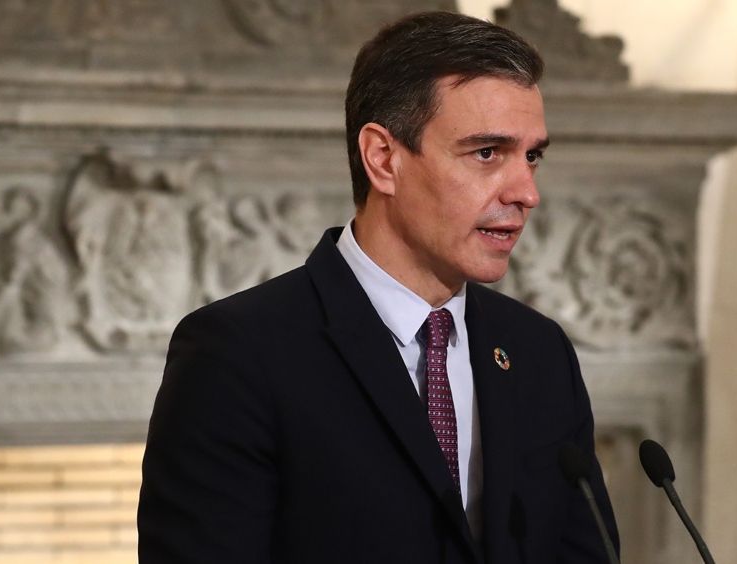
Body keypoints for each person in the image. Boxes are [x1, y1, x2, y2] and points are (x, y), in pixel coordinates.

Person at [138, 11, 619, 563]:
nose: (526, 192)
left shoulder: (539, 351)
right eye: (487, 153)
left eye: (531, 156)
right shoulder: (237, 353)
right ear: (383, 159)